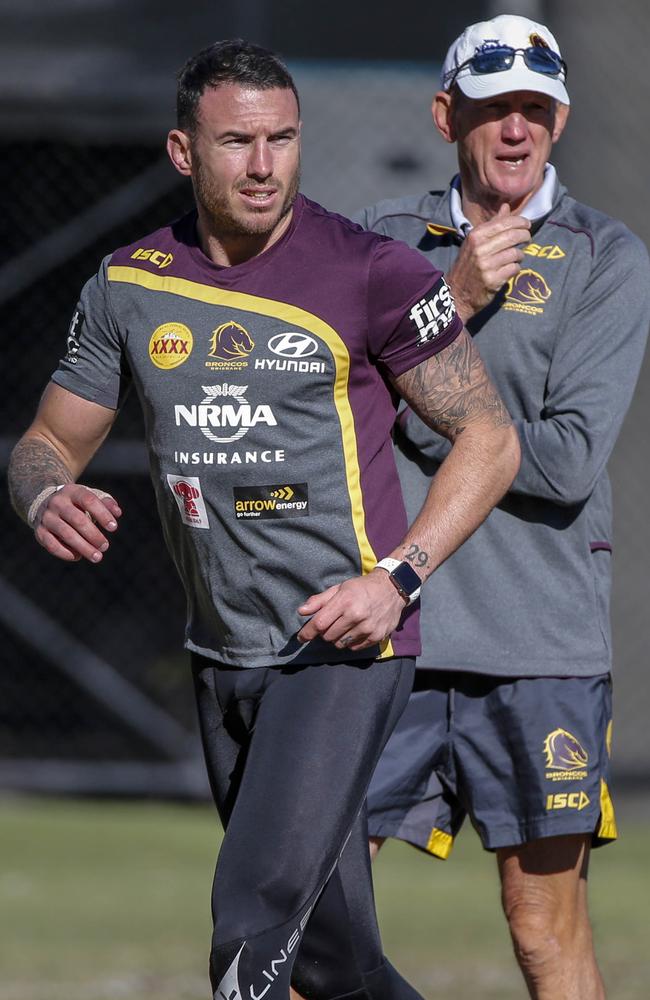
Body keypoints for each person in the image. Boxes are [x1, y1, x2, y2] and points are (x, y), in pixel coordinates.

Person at [8, 39, 519, 1000]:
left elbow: (489, 440)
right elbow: (46, 440)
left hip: (341, 652)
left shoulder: (373, 272)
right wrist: (44, 491)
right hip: (223, 654)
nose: (262, 165)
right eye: (237, 141)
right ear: (181, 151)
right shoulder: (128, 286)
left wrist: (397, 580)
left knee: (249, 934)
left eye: (282, 139)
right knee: (336, 964)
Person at [353, 13, 650, 999]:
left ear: (559, 120)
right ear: (447, 116)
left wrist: (425, 402)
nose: (513, 130)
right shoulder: (387, 244)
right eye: (492, 110)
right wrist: (451, 299)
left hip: (537, 641)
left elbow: (565, 462)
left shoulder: (607, 257)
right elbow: (339, 410)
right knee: (314, 906)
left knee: (539, 925)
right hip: (387, 633)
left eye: (533, 107)